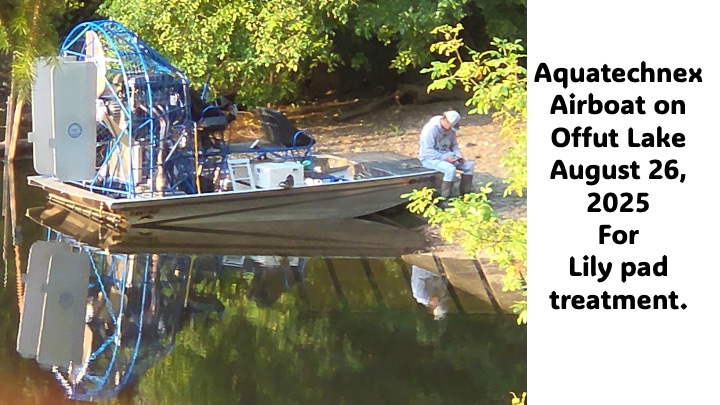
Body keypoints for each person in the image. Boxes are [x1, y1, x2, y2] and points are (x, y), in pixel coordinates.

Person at [418, 110, 475, 199]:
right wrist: (445, 158)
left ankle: (465, 195)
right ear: (445, 120)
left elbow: (454, 145)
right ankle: (446, 198)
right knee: (450, 169)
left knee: (469, 165)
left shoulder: (451, 129)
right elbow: (427, 150)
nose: (451, 129)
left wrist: (458, 155)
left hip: (448, 155)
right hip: (430, 158)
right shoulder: (430, 129)